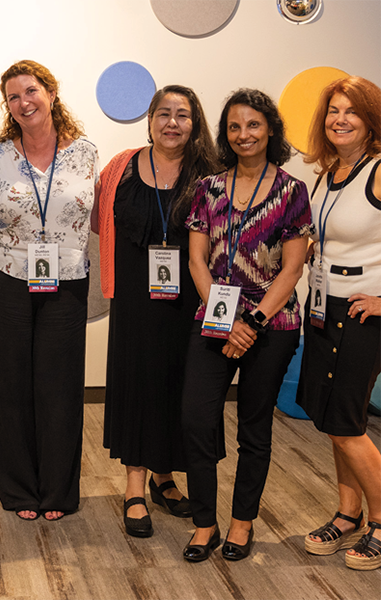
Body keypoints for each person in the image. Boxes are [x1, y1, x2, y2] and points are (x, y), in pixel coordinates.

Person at [181, 89, 312, 562]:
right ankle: (204, 524)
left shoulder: (293, 191)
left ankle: (241, 523)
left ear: (270, 129)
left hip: (272, 325)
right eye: (234, 127)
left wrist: (252, 322)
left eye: (253, 125)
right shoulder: (208, 188)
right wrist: (230, 320)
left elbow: (292, 269)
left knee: (254, 428)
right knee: (196, 419)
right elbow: (196, 260)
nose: (243, 135)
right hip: (215, 318)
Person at [95, 85, 219, 537]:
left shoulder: (210, 173)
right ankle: (134, 486)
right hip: (133, 298)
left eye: (182, 115)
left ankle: (165, 476)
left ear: (195, 122)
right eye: (163, 113)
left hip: (191, 298)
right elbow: (98, 220)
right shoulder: (121, 167)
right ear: (149, 120)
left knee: (179, 383)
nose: (172, 122)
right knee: (138, 382)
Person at [0, 60, 98, 521]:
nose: (24, 102)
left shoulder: (85, 152)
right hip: (7, 272)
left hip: (67, 277)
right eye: (13, 96)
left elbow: (96, 214)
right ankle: (19, 489)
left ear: (50, 92)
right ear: (8, 106)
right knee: (10, 383)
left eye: (31, 91)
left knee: (60, 385)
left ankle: (58, 491)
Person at [296, 76, 381, 571]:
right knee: (333, 421)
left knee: (348, 425)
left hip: (363, 316)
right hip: (325, 309)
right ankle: (349, 515)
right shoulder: (329, 173)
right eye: (332, 110)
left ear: (370, 119)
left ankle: (379, 521)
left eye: (351, 110)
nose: (339, 119)